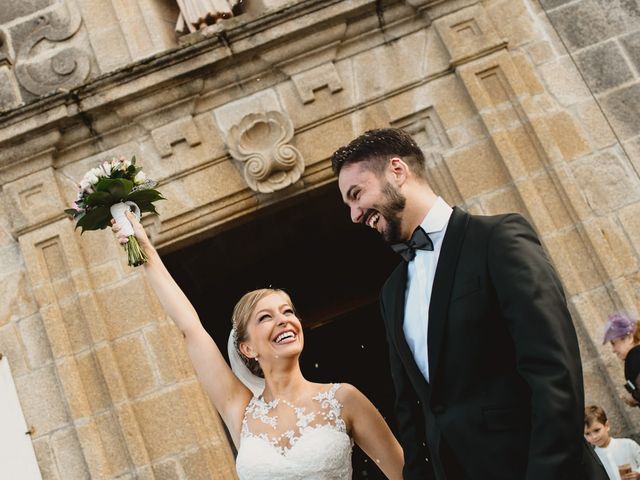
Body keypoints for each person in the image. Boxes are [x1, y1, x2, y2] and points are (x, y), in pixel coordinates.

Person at [331, 128, 608, 479]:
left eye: (357, 194)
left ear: (397, 171)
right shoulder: (391, 292)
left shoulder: (498, 239)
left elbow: (554, 373)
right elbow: (412, 412)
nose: (355, 214)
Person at [111, 212, 403, 479]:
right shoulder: (240, 410)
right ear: (247, 348)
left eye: (287, 312)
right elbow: (190, 328)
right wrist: (145, 250)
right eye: (266, 317)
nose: (284, 320)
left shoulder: (343, 399)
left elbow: (403, 471)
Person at [585, 405, 640, 480]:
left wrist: (638, 473)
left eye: (597, 430)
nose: (594, 437)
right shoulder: (593, 459)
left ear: (607, 426)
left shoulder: (628, 444)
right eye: (587, 434)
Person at [603, 312, 640, 408]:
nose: (613, 350)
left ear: (630, 338)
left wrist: (633, 398)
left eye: (614, 343)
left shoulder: (634, 357)